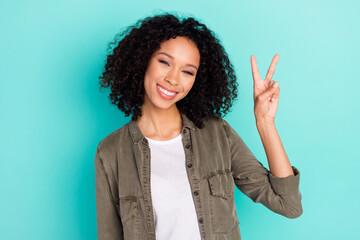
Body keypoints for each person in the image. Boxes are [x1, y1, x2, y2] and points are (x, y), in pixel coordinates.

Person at [94, 12, 303, 240]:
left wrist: (265, 122)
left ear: (197, 80)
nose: (173, 79)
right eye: (165, 62)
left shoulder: (218, 134)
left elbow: (289, 205)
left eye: (187, 71)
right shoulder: (111, 151)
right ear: (142, 60)